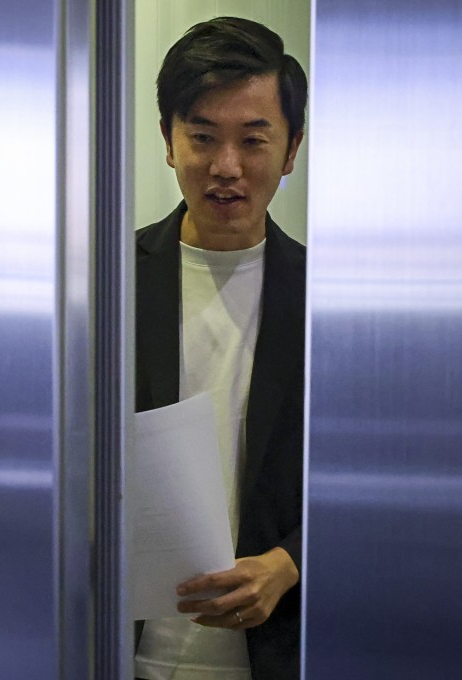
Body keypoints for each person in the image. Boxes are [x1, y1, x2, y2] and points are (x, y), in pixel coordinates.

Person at [134, 16, 306, 680]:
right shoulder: (107, 283)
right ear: (169, 143)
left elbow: (369, 480)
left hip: (274, 653)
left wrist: (288, 563)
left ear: (291, 151)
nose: (226, 166)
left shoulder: (326, 299)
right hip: (126, 652)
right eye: (202, 137)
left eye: (253, 140)